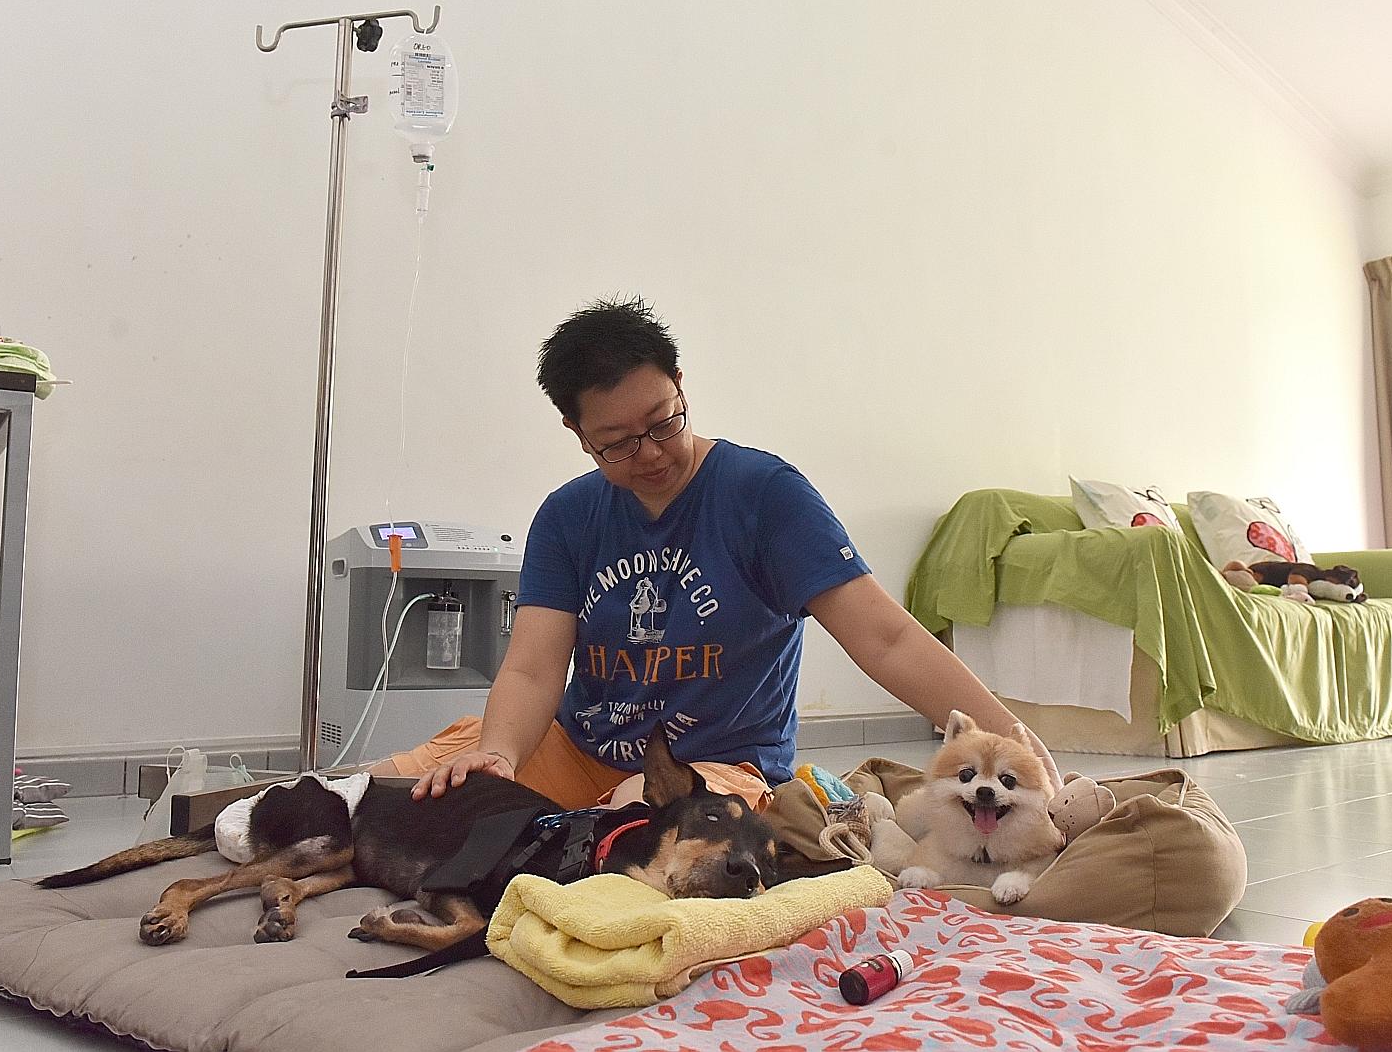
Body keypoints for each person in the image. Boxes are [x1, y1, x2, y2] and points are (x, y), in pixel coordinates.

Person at [374, 298, 1061, 809]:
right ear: (576, 432)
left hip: (722, 770)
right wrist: (497, 755)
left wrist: (1011, 742)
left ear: (681, 384)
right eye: (617, 443)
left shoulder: (764, 496)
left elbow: (886, 639)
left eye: (663, 423)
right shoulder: (567, 516)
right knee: (386, 795)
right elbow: (531, 671)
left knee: (638, 818)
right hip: (581, 750)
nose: (649, 454)